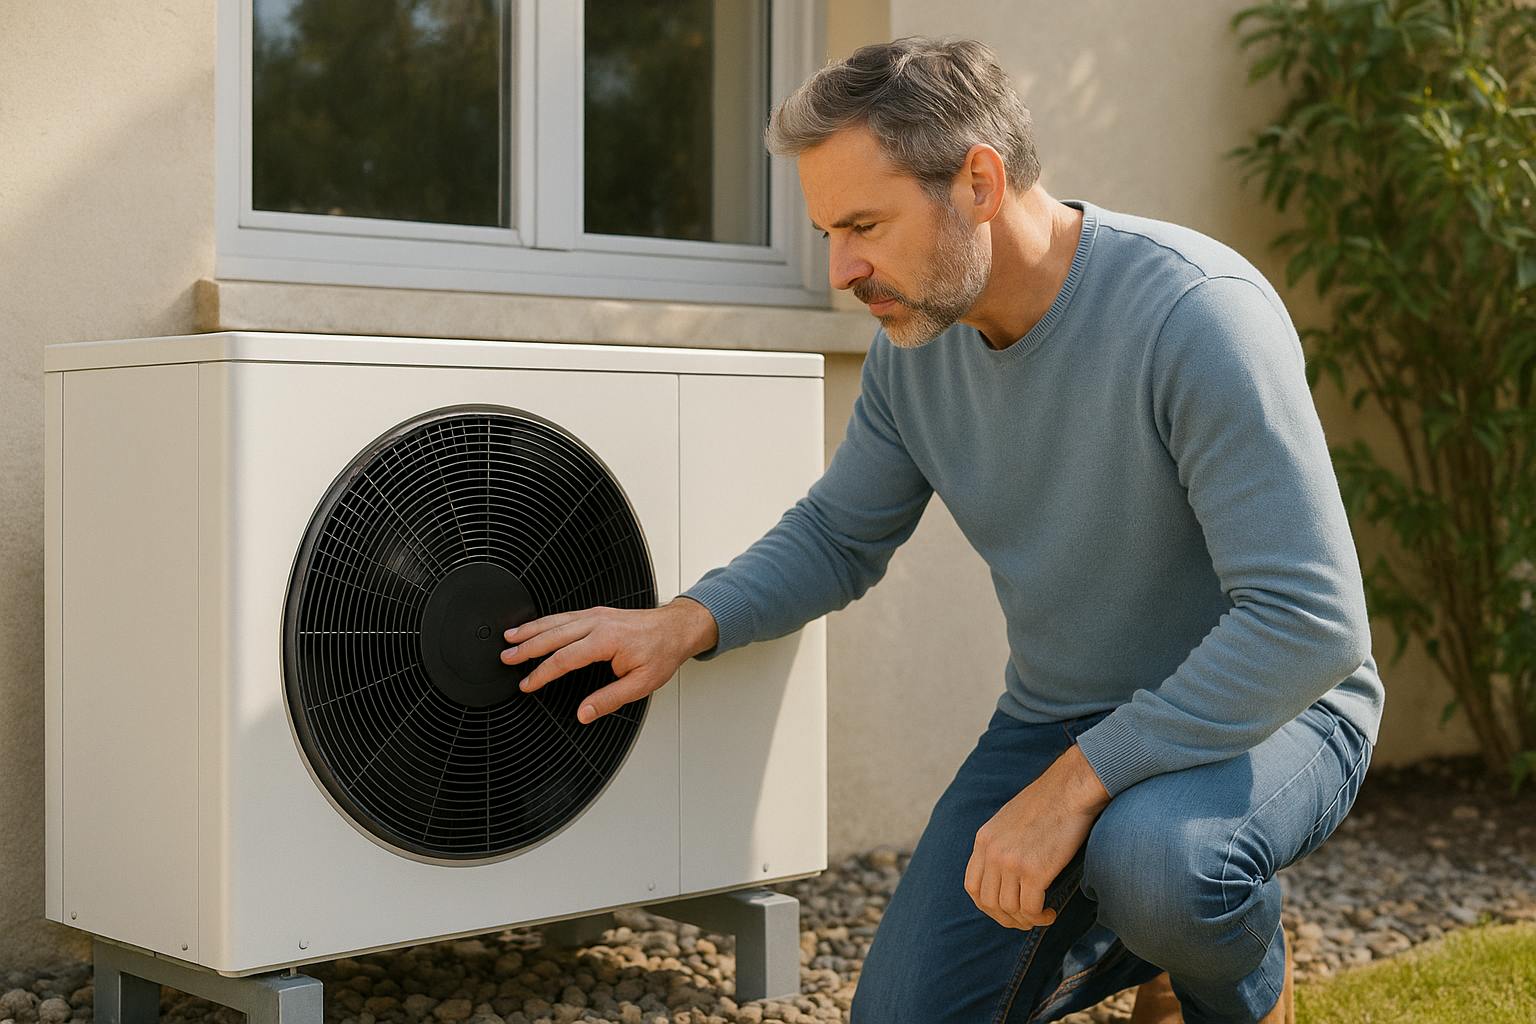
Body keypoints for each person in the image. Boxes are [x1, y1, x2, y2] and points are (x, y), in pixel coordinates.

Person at [500, 36, 1382, 1024]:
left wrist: (1079, 784)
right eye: (829, 232)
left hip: (1275, 711)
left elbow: (1309, 622)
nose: (842, 269)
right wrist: (685, 621)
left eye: (864, 224)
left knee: (1161, 860)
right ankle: (1159, 935)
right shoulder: (917, 346)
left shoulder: (1195, 316)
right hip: (1059, 717)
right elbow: (840, 535)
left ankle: (1231, 977)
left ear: (978, 182)